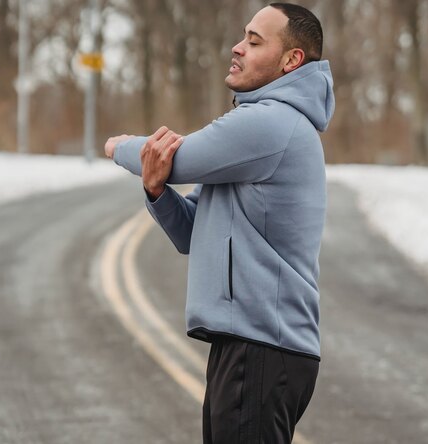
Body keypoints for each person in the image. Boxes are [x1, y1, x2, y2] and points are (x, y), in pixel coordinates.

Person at [104, 3, 334, 443]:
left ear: (292, 61)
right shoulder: (258, 129)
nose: (237, 47)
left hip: (264, 346)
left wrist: (120, 146)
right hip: (250, 345)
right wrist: (155, 191)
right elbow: (192, 231)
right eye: (242, 36)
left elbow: (174, 158)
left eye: (254, 41)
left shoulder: (273, 123)